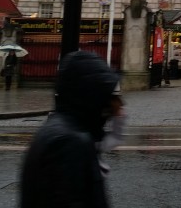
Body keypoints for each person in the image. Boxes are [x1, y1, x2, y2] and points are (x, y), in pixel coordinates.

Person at [21, 51, 121, 208]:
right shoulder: (69, 142)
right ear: (91, 95)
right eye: (106, 97)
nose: (111, 107)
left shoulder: (65, 129)